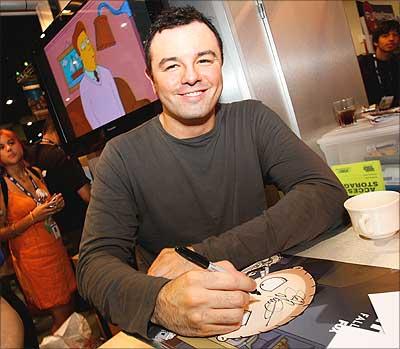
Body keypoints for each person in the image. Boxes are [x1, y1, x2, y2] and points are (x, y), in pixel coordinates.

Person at [77, 6, 348, 339]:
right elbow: (93, 266)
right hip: (188, 323)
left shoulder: (252, 120)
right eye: (171, 65)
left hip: (270, 294)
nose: (191, 76)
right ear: (151, 79)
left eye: (204, 60)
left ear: (221, 64)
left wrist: (204, 255)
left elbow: (327, 193)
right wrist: (159, 302)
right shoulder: (121, 155)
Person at [0, 129, 76, 333]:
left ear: (20, 143)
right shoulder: (2, 186)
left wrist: (54, 206)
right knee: (60, 312)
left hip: (56, 248)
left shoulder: (33, 171)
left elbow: (43, 206)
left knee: (68, 305)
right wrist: (33, 217)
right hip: (34, 259)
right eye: (1, 147)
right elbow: (1, 232)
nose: (9, 148)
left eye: (11, 142)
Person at [25, 118, 91, 256]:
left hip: (52, 230)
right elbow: (87, 196)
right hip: (80, 227)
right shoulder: (61, 154)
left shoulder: (30, 155)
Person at [72, 20, 125, 129]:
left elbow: (118, 101)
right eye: (83, 46)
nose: (89, 47)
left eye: (87, 42)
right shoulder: (84, 86)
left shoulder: (106, 73)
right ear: (80, 56)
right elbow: (90, 117)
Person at [358, 20, 400, 107]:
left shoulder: (397, 62)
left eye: (395, 35)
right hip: (372, 114)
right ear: (375, 42)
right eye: (385, 36)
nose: (391, 39)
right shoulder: (363, 63)